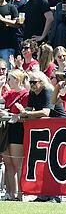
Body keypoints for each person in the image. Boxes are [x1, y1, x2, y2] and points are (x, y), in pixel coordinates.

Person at [0, 69, 29, 201]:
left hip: (18, 130)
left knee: (17, 163)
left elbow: (24, 114)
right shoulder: (10, 93)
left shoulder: (25, 94)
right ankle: (11, 193)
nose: (8, 81)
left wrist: (9, 114)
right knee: (8, 162)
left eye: (10, 79)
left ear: (17, 80)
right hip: (7, 129)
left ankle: (21, 193)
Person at [0, 0, 19, 64]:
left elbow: (17, 24)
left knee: (8, 70)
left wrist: (2, 19)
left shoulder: (11, 8)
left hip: (8, 45)